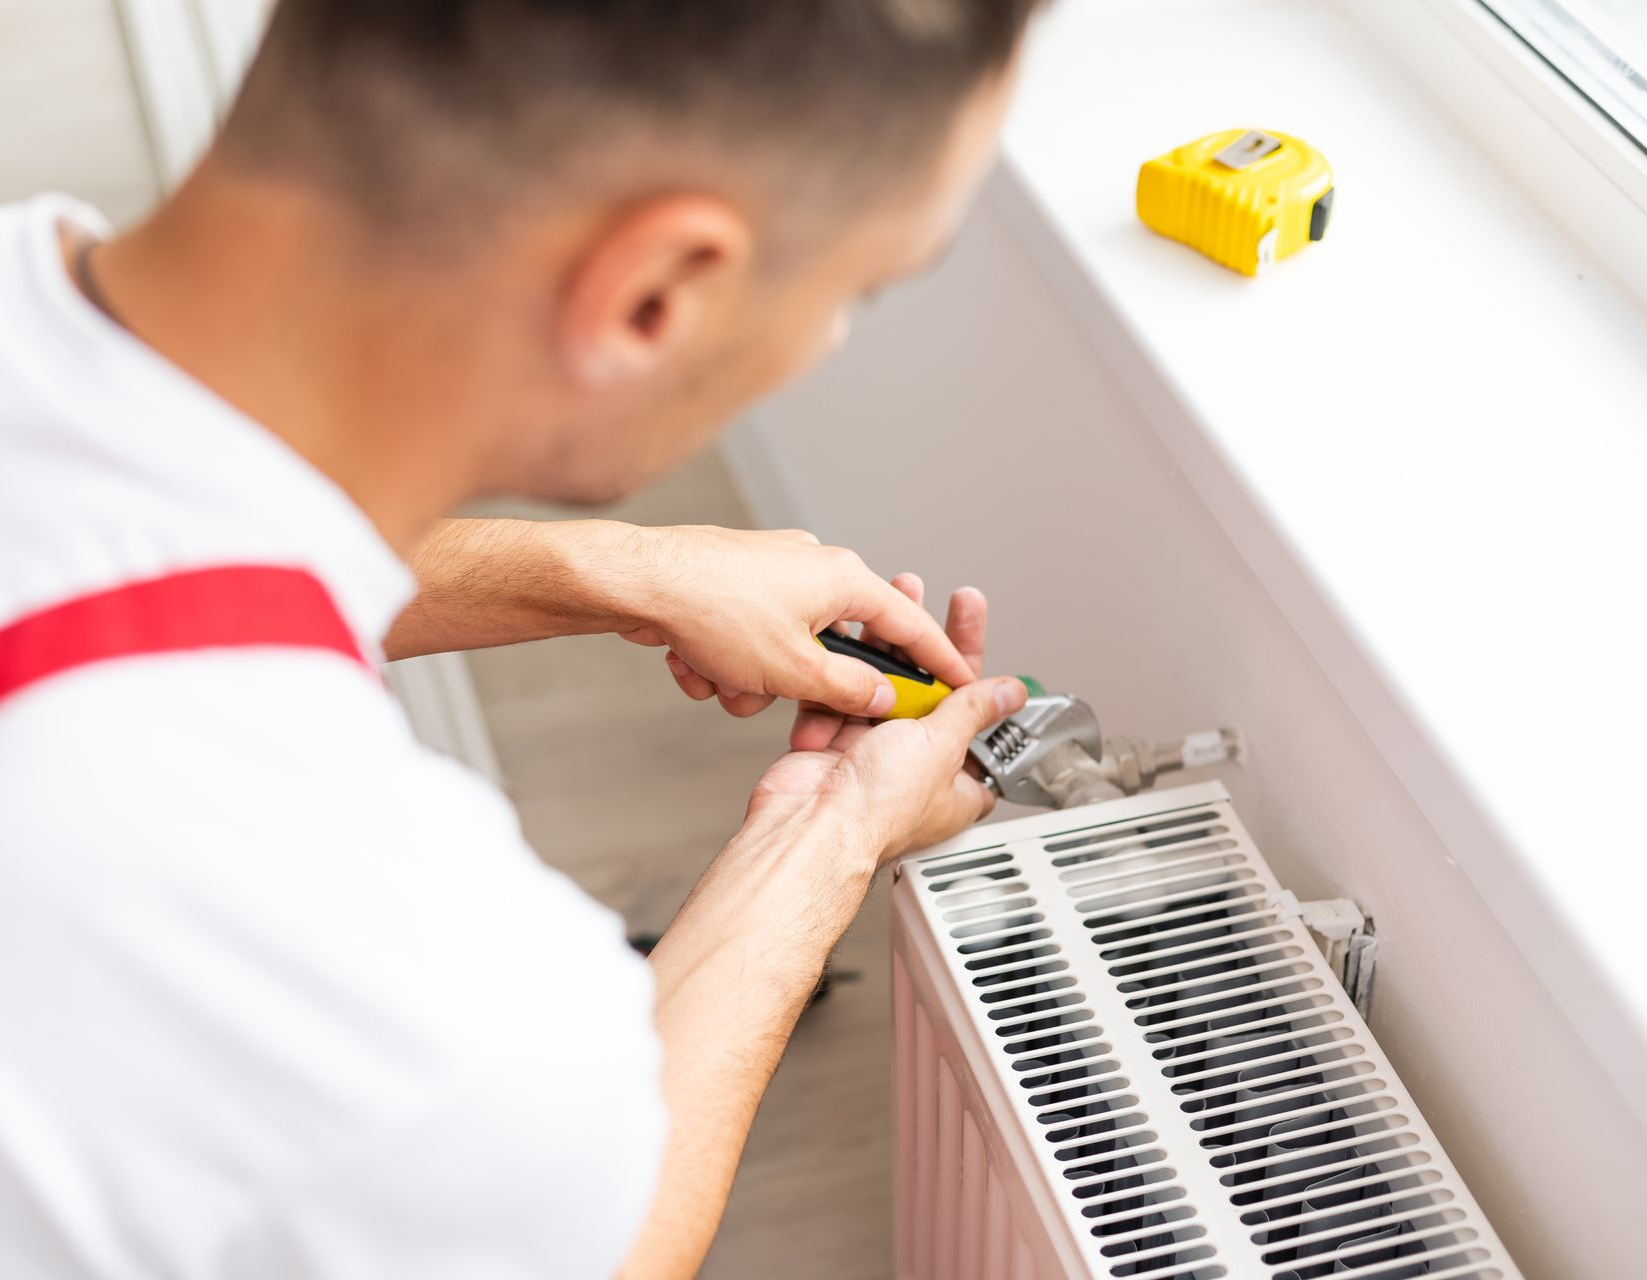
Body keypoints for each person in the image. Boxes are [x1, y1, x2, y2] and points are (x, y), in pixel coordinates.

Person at [0, 2, 1041, 1276]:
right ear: (657, 293)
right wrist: (831, 833)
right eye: (858, 289)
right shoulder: (389, 982)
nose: (827, 335)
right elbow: (615, 1235)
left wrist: (612, 569)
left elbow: (118, 567)